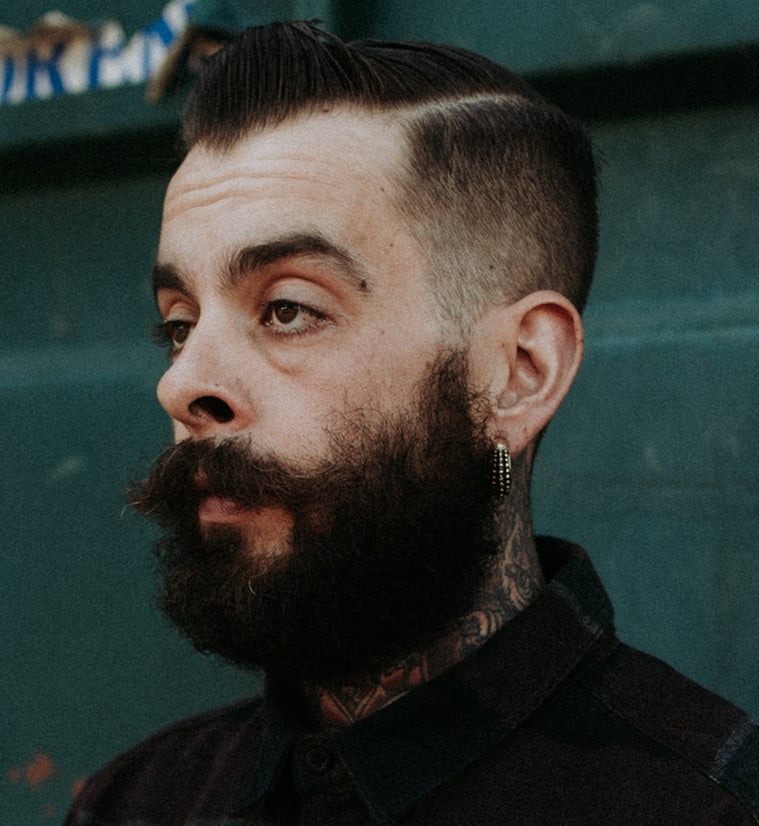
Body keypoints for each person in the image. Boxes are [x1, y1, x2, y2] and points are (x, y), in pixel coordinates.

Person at [64, 20, 759, 826]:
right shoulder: (138, 802)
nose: (182, 383)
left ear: (519, 373)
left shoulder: (702, 808)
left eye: (287, 309)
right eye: (179, 324)